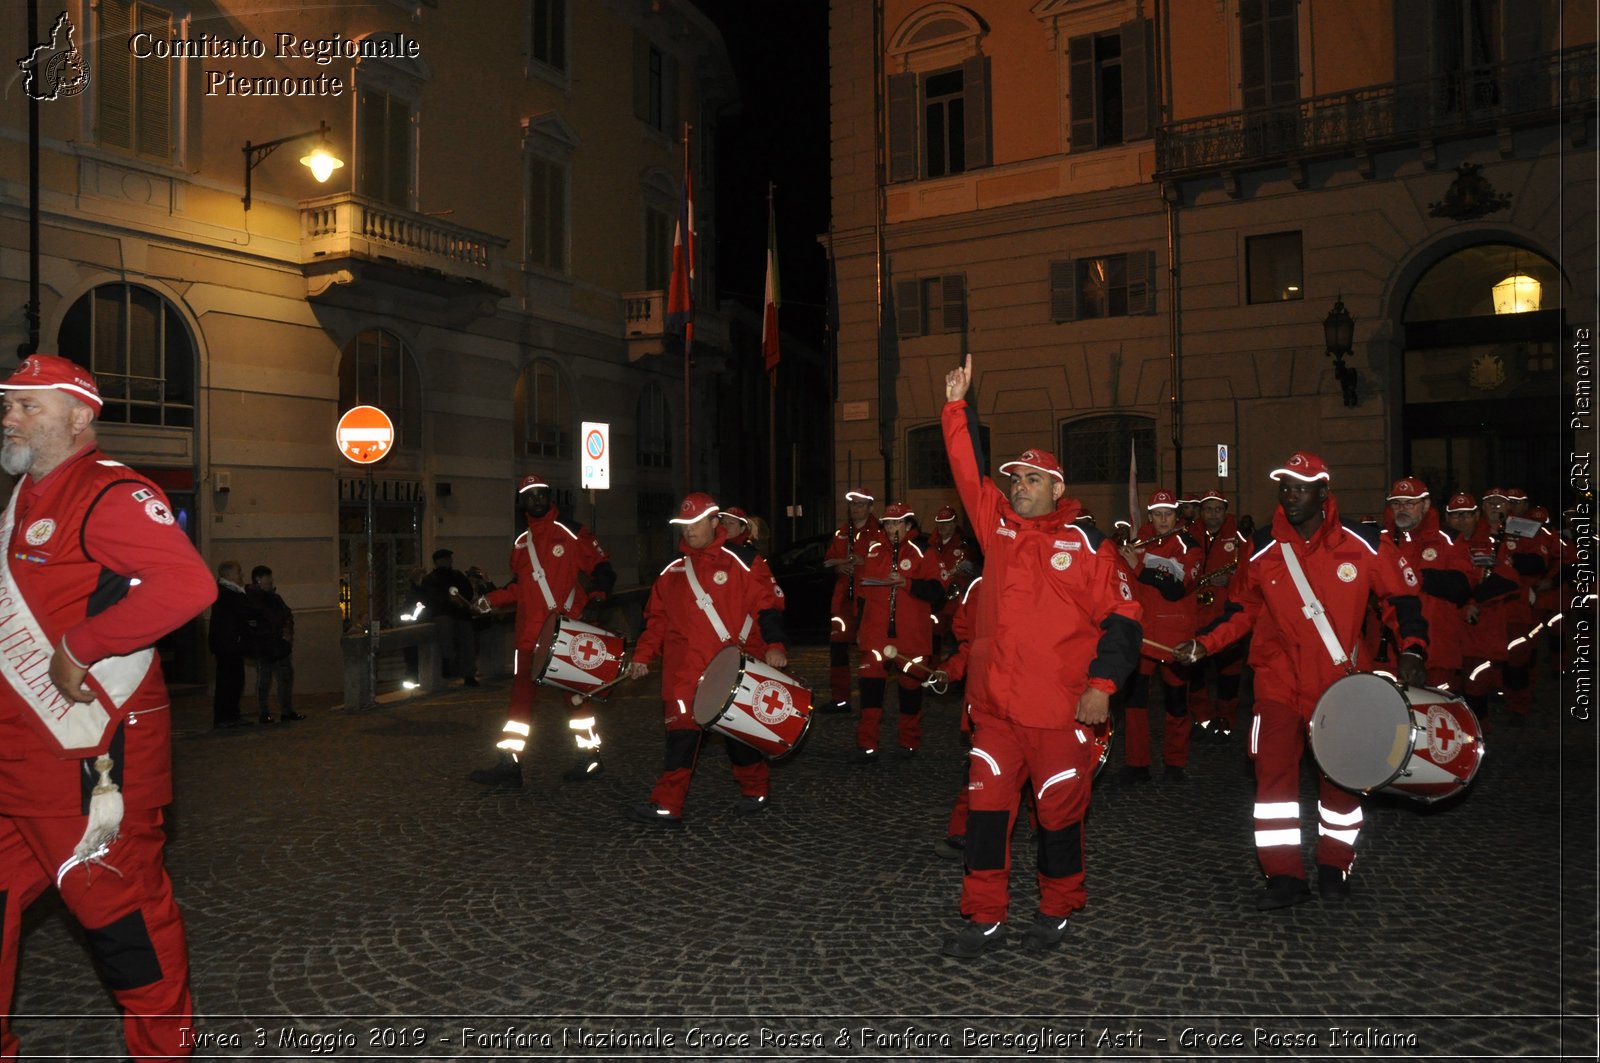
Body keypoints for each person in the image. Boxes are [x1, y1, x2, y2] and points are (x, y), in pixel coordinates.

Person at [0, 354, 215, 1059]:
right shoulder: (21, 501)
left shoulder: (108, 492)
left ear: (80, 415)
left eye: (29, 405)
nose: (10, 416)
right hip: (13, 764)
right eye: (8, 402)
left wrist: (81, 644)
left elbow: (189, 585)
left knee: (130, 936)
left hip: (85, 766)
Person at [940, 354, 1142, 956]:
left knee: (1058, 818)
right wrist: (956, 409)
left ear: (1057, 488)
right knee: (986, 817)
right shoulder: (995, 527)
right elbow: (966, 474)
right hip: (996, 712)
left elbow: (1125, 620)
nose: (1019, 487)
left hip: (1060, 716)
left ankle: (1058, 905)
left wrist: (1101, 688)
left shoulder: (1088, 544)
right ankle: (984, 914)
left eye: (1032, 479)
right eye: (1015, 479)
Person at [1174, 451, 1428, 909]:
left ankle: (1335, 864)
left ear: (1323, 493)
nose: (1290, 496)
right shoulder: (1265, 545)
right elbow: (1242, 608)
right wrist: (1206, 644)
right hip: (1276, 682)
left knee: (1342, 781)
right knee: (1273, 785)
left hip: (1341, 685)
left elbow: (1402, 599)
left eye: (1300, 487)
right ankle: (1284, 876)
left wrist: (1412, 647)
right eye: (1285, 487)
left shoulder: (1364, 542)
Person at [626, 492, 789, 827]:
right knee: (680, 739)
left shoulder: (744, 561)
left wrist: (775, 644)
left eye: (695, 523)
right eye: (683, 525)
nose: (688, 531)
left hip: (733, 668)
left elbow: (768, 607)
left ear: (715, 522)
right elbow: (656, 621)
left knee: (738, 739)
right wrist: (642, 656)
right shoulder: (671, 573)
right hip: (683, 672)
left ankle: (755, 788)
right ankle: (667, 804)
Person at [470, 474, 616, 787]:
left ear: (549, 496)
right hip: (528, 636)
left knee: (575, 699)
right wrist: (490, 601)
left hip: (564, 632)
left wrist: (600, 593)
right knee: (519, 701)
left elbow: (602, 566)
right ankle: (510, 763)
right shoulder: (521, 543)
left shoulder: (572, 532)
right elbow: (521, 588)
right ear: (521, 502)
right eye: (528, 495)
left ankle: (591, 757)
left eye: (540, 494)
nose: (535, 499)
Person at [1117, 489, 1201, 782]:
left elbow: (1176, 588)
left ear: (1176, 516)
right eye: (1157, 513)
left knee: (1176, 701)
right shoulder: (1139, 542)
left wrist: (1137, 566)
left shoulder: (1188, 545)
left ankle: (1175, 763)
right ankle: (1137, 763)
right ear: (1150, 515)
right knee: (1135, 701)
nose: (1163, 519)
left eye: (1168, 513)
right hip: (1142, 634)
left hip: (1174, 635)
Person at [853, 502, 947, 760]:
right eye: (888, 523)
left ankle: (909, 742)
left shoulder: (923, 550)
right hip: (875, 633)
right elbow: (862, 594)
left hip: (911, 636)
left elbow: (938, 591)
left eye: (897, 523)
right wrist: (859, 627)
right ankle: (867, 744)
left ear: (908, 525)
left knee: (910, 691)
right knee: (870, 690)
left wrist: (907, 583)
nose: (892, 527)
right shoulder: (874, 550)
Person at [1381, 478, 1472, 689]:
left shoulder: (1449, 540)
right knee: (1394, 719)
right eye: (1397, 503)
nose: (1402, 508)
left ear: (1426, 505)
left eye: (1409, 503)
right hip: (1390, 653)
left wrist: (1416, 576)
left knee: (1436, 714)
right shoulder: (1380, 541)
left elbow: (1462, 587)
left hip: (1437, 648)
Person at [1186, 489, 1250, 739]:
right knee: (1196, 674)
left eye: (1217, 509)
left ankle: (1226, 720)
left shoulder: (1239, 539)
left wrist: (1231, 579)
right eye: (1208, 509)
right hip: (1196, 614)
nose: (1213, 515)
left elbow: (1250, 575)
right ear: (1201, 512)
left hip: (1227, 616)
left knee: (1229, 675)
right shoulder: (1189, 535)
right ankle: (1202, 720)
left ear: (1225, 511)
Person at [821, 488, 887, 712]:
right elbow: (827, 562)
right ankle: (841, 699)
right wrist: (839, 565)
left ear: (870, 507)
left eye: (860, 504)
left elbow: (887, 566)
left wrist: (863, 561)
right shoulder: (841, 532)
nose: (855, 508)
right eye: (853, 504)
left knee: (869, 650)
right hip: (843, 600)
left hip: (868, 600)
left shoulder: (880, 532)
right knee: (838, 649)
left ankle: (871, 703)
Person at [247, 565, 303, 722]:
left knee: (285, 678)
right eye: (268, 578)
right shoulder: (253, 599)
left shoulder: (274, 598)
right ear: (259, 579)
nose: (271, 581)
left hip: (278, 645)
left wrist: (287, 632)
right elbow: (265, 620)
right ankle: (264, 713)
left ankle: (286, 710)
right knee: (264, 680)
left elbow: (286, 614)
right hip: (264, 645)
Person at [422, 548, 479, 685]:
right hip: (443, 613)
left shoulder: (457, 575)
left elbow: (467, 592)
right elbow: (431, 598)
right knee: (446, 632)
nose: (449, 561)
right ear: (438, 562)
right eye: (446, 559)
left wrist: (461, 601)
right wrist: (448, 600)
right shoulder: (430, 579)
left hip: (460, 614)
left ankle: (468, 674)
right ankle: (448, 662)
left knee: (467, 642)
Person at [926, 505, 975, 662]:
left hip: (955, 604)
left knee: (957, 642)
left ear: (954, 524)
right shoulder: (930, 545)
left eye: (947, 523)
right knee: (932, 640)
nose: (942, 526)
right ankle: (932, 672)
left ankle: (955, 676)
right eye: (940, 523)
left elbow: (971, 572)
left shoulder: (964, 546)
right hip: (936, 602)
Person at [209, 560, 253, 729]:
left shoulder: (230, 591)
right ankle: (225, 716)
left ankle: (231, 714)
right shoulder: (226, 592)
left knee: (234, 680)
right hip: (228, 644)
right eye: (238, 572)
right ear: (228, 575)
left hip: (231, 643)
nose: (241, 575)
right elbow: (241, 611)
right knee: (229, 680)